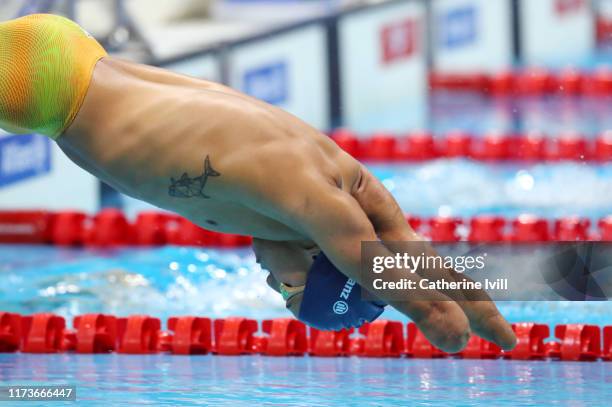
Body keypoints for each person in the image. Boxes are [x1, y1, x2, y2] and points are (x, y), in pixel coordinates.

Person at [0, 14, 516, 352]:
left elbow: (412, 251)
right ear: (320, 259)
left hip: (70, 51)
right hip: (43, 92)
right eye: (287, 289)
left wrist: (499, 334)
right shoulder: (315, 204)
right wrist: (446, 333)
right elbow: (420, 302)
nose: (267, 279)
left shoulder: (348, 179)